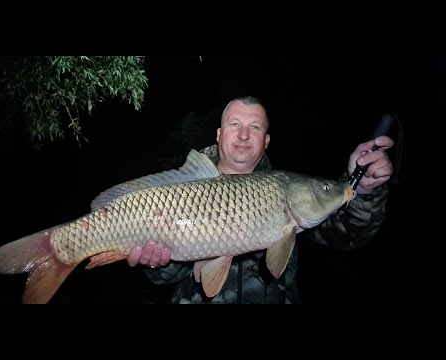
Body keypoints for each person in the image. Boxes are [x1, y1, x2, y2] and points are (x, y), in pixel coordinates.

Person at [127, 96, 394, 304]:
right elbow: (161, 280)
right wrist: (157, 262)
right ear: (219, 135)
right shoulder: (185, 187)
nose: (243, 135)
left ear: (265, 141)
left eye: (254, 127)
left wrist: (364, 191)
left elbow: (347, 235)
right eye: (235, 125)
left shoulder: (284, 189)